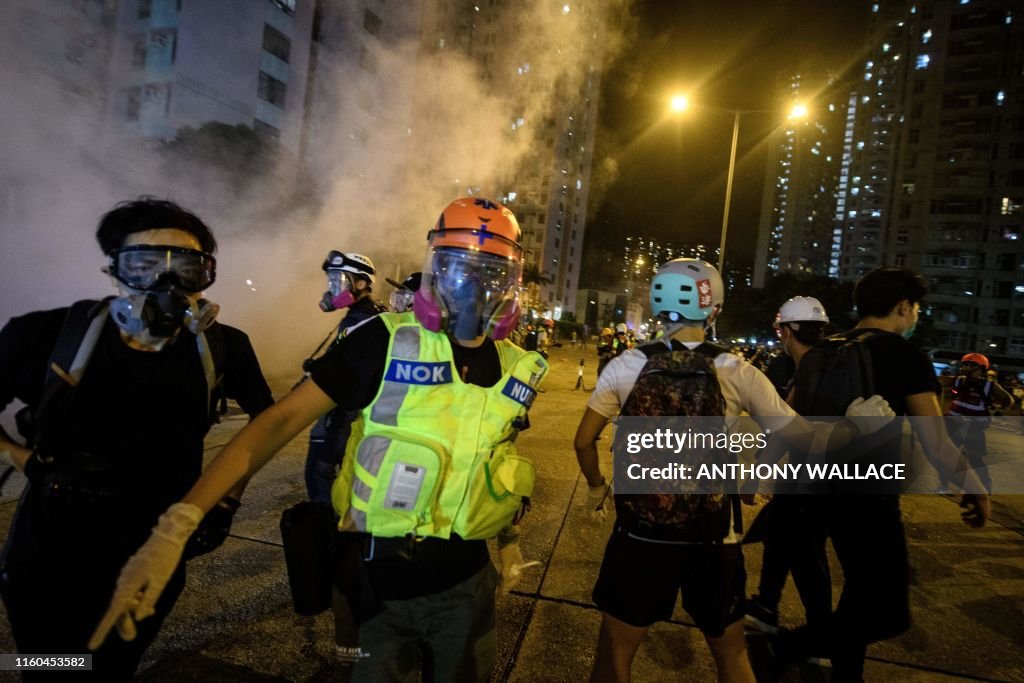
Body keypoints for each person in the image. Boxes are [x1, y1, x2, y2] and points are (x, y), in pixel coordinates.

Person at [89, 197, 549, 682]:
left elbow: (490, 460)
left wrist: (509, 541)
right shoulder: (384, 342)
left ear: (512, 281)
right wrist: (176, 526)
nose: (472, 288)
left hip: (468, 586)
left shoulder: (521, 368)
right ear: (435, 266)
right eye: (457, 268)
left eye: (491, 274)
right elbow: (275, 424)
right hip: (375, 586)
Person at [572, 259, 893, 683]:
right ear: (714, 309)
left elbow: (582, 441)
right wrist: (856, 425)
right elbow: (805, 438)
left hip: (640, 533)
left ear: (655, 303)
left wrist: (597, 487)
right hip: (712, 535)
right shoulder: (739, 372)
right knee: (730, 654)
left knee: (616, 654)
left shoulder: (624, 365)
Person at [0, 197, 274, 682]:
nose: (166, 284)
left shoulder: (225, 346)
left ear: (205, 276)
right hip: (50, 545)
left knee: (113, 666)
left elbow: (265, 426)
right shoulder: (44, 336)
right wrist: (26, 461)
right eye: (144, 265)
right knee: (48, 665)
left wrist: (226, 502)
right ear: (113, 271)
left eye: (185, 268)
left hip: (155, 541)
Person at [777, 267, 992, 682]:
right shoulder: (904, 355)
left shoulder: (823, 349)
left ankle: (846, 674)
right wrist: (975, 486)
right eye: (916, 310)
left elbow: (794, 422)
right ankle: (792, 645)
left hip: (809, 488)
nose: (915, 318)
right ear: (903, 307)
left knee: (859, 596)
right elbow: (936, 442)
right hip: (867, 498)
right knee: (888, 612)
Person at [745, 297, 832, 639]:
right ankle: (767, 605)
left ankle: (823, 634)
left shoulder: (810, 369)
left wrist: (756, 475)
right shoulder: (824, 364)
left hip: (809, 481)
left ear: (785, 331)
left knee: (807, 557)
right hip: (811, 478)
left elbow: (782, 432)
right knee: (779, 539)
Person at [302, 252, 387, 503]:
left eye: (339, 281)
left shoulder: (360, 321)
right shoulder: (364, 317)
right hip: (346, 420)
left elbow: (351, 380)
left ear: (360, 284)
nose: (332, 288)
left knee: (320, 482)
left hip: (339, 421)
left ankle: (327, 539)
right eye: (332, 282)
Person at [938, 352, 1012, 493]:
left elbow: (1008, 400)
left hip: (973, 428)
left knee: (975, 460)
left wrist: (999, 412)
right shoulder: (959, 380)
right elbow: (939, 380)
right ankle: (943, 486)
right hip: (954, 424)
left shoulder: (989, 386)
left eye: (971, 364)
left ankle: (986, 486)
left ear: (982, 368)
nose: (966, 367)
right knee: (947, 455)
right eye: (965, 364)